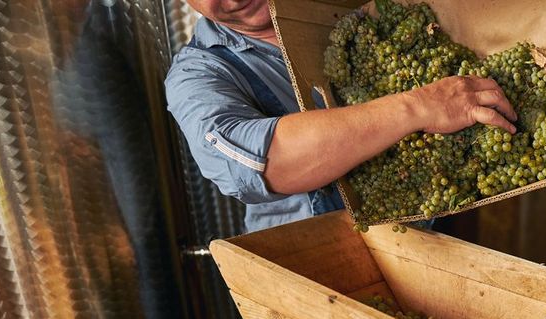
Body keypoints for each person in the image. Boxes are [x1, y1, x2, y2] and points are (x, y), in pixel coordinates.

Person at [166, 0, 518, 232]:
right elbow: (265, 162)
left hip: (439, 221)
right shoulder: (197, 75)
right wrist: (419, 106)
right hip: (327, 272)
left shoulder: (342, 9)